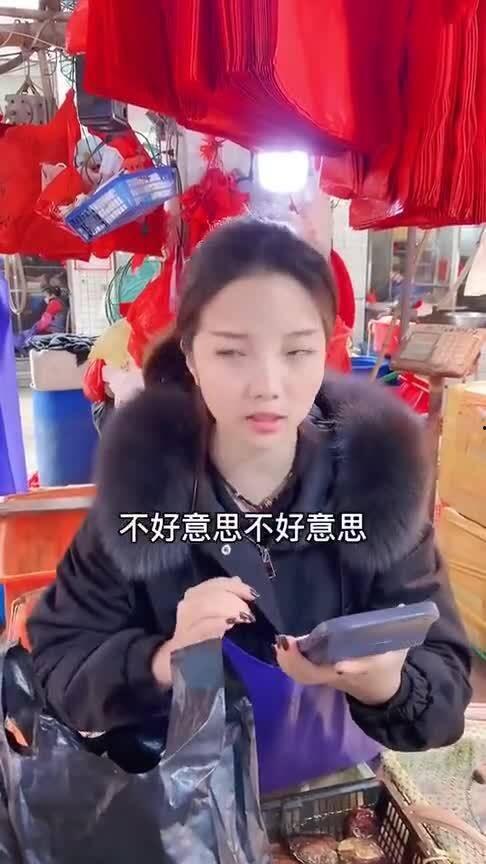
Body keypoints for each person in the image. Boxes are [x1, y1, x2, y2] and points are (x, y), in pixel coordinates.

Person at [28, 217, 471, 793]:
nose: (268, 384)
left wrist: (387, 686)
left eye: (297, 351)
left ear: (326, 350)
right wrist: (164, 659)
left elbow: (447, 690)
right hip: (177, 811)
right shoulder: (140, 498)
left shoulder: (377, 491)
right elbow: (59, 665)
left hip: (332, 800)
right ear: (191, 355)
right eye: (232, 352)